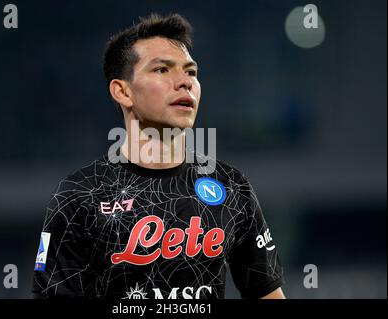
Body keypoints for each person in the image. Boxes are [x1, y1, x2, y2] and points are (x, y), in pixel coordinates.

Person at [32, 13, 285, 299]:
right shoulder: (78, 196)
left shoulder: (231, 186)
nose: (184, 82)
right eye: (163, 70)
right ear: (122, 91)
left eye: (190, 72)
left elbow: (267, 293)